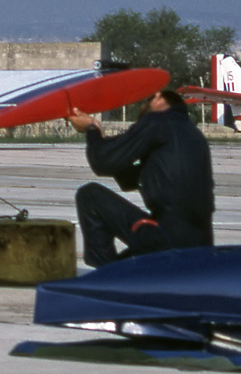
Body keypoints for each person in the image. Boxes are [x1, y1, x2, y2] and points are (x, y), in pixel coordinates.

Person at [65, 90, 214, 267]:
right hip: (199, 245)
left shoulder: (157, 121)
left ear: (158, 97)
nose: (141, 108)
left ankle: (105, 276)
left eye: (145, 101)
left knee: (89, 195)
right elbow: (128, 179)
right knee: (125, 264)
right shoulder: (191, 133)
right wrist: (101, 135)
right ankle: (119, 273)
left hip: (166, 238)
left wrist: (90, 130)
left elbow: (102, 162)